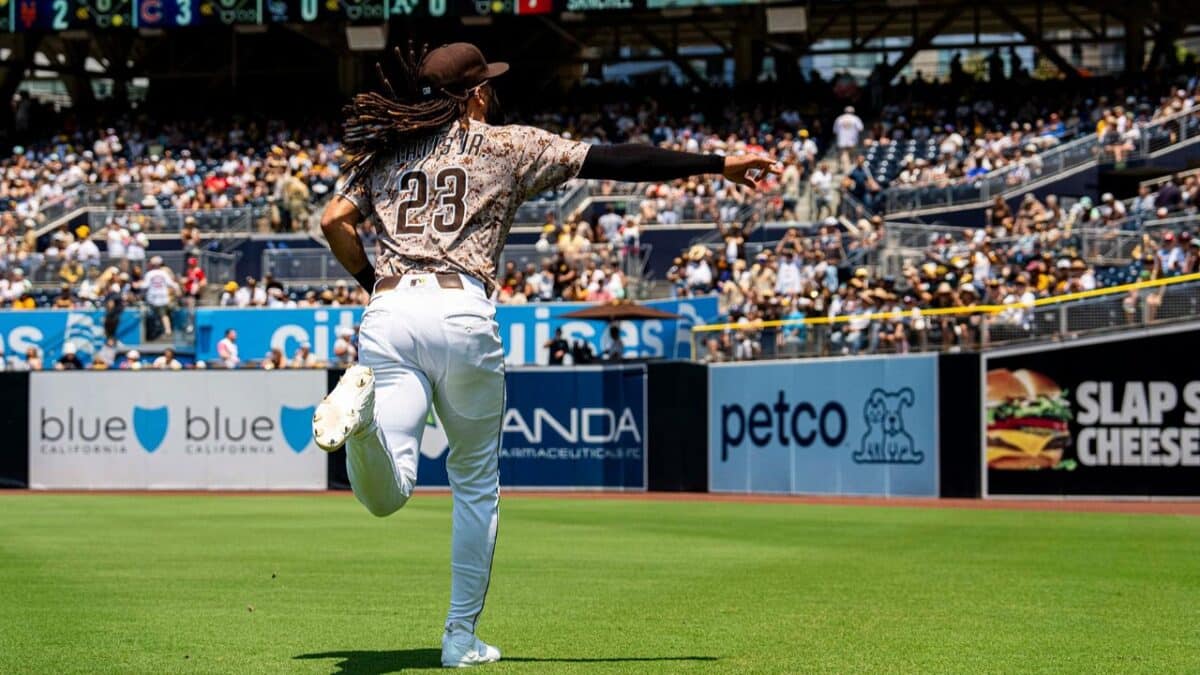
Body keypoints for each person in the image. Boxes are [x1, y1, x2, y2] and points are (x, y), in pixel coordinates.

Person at [311, 41, 777, 668]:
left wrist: (373, 285)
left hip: (389, 314)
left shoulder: (387, 150)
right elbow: (614, 159)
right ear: (475, 94)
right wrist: (716, 162)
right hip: (460, 307)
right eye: (487, 85)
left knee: (386, 494)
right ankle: (458, 638)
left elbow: (334, 219)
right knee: (474, 482)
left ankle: (360, 424)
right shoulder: (508, 144)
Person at [833, 106, 863, 172]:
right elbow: (861, 129)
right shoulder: (856, 119)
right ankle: (850, 169)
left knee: (844, 155)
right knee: (851, 155)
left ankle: (847, 169)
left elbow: (835, 131)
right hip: (852, 140)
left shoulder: (839, 118)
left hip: (842, 140)